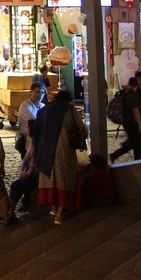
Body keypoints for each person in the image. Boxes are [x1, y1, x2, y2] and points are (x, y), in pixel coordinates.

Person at [35, 89, 87, 224]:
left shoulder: (44, 110)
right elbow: (82, 129)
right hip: (63, 150)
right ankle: (59, 214)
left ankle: (53, 207)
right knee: (65, 179)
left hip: (45, 151)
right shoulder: (69, 110)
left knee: (51, 178)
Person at [109, 77, 141, 162]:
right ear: (136, 85)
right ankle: (114, 155)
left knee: (135, 141)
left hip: (126, 121)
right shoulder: (133, 95)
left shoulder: (125, 93)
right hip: (132, 123)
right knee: (133, 143)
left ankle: (137, 159)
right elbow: (135, 110)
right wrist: (140, 124)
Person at [8, 118, 39, 216]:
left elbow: (35, 163)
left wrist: (28, 172)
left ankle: (9, 212)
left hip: (37, 175)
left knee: (15, 186)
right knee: (19, 183)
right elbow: (26, 159)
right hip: (31, 173)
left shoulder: (37, 144)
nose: (25, 129)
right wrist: (22, 171)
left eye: (27, 127)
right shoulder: (33, 141)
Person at [15, 82, 44, 158]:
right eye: (37, 92)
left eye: (43, 92)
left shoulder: (43, 106)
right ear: (31, 92)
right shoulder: (25, 106)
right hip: (27, 142)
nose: (40, 95)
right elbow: (34, 122)